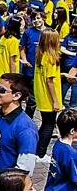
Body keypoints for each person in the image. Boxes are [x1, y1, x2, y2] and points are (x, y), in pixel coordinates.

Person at [0, 74, 38, 190]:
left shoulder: (25, 128)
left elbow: (24, 170)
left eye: (1, 90)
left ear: (16, 96)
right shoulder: (0, 118)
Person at [34, 29, 62, 160]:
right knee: (49, 125)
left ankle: (36, 148)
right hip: (48, 97)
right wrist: (56, 101)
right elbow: (50, 81)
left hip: (41, 94)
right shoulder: (51, 57)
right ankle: (41, 153)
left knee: (45, 123)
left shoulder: (41, 55)